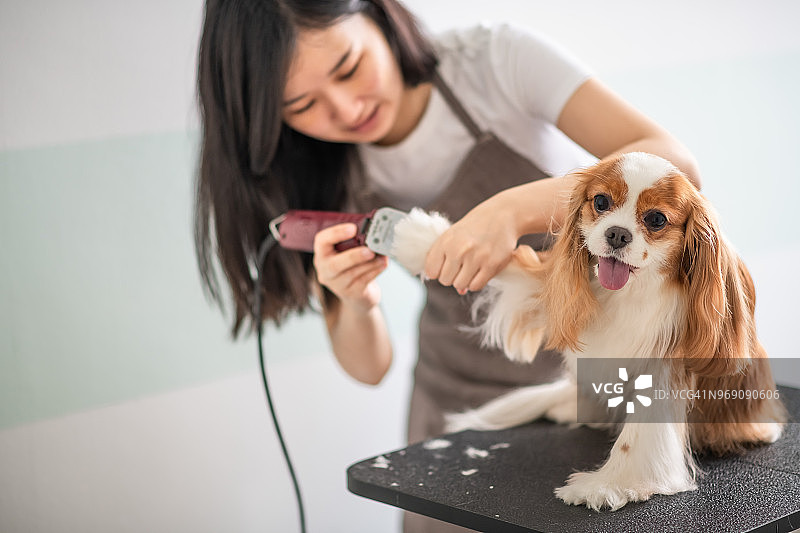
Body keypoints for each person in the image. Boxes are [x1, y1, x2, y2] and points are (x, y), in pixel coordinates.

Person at [195, 1, 701, 531]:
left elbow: (677, 163)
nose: (346, 109)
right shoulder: (322, 168)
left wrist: (511, 210)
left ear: (378, 16)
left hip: (596, 387)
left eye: (348, 67)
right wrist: (356, 303)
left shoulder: (495, 62)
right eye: (301, 105)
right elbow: (369, 368)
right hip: (455, 403)